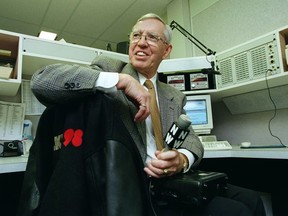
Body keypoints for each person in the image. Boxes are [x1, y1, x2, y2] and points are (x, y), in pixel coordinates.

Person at [30, 13, 265, 216]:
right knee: (237, 212)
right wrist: (120, 81)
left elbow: (192, 139)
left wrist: (182, 159)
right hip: (137, 187)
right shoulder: (110, 68)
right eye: (136, 35)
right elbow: (42, 81)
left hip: (172, 180)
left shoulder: (173, 94)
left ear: (167, 50)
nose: (141, 43)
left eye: (152, 37)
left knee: (251, 198)